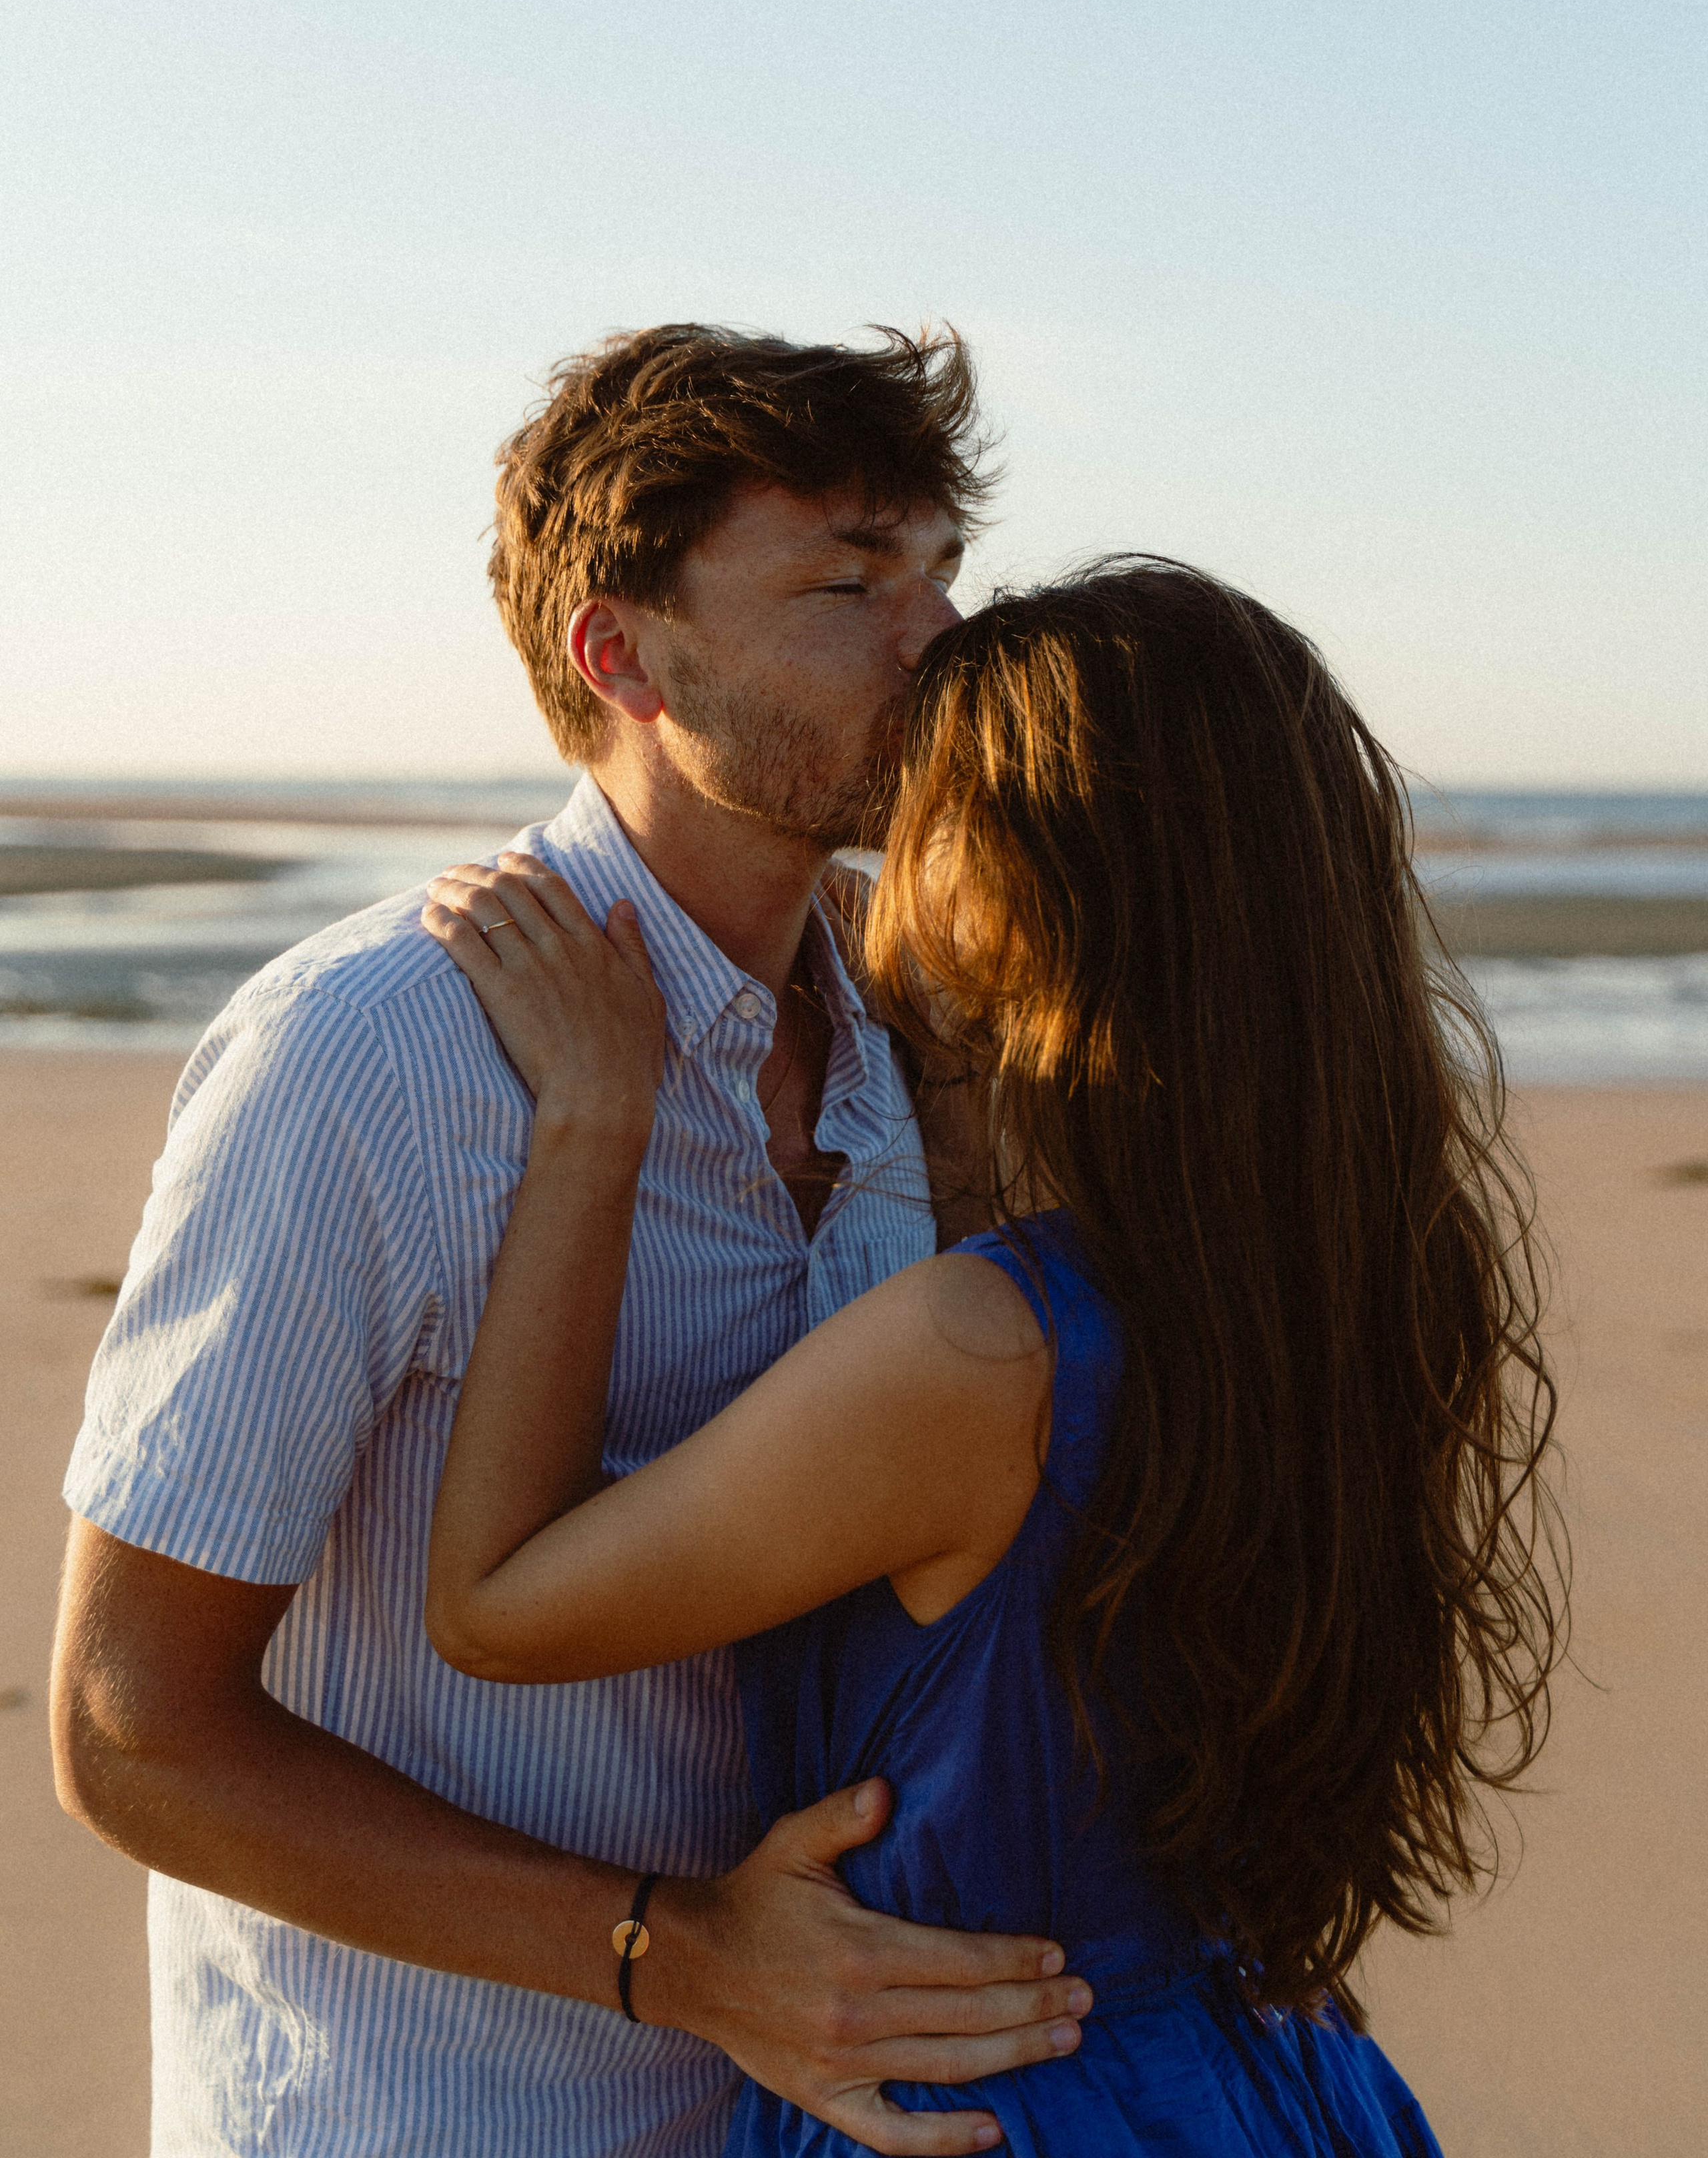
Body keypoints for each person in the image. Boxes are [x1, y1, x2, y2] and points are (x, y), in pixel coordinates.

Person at [51, 326, 1095, 2158]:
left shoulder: (905, 1037)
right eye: (849, 582)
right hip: (423, 2115)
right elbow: (134, 1730)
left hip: (803, 2112)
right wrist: (677, 1958)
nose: (938, 636)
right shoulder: (376, 1053)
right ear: (623, 652)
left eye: (941, 567)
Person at [419, 558, 1566, 2157]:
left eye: (925, 815)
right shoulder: (1353, 1272)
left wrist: (593, 1122)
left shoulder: (979, 1352)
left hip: (992, 2104)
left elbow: (494, 1605)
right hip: (1256, 2081)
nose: (880, 857)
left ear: (1036, 880)